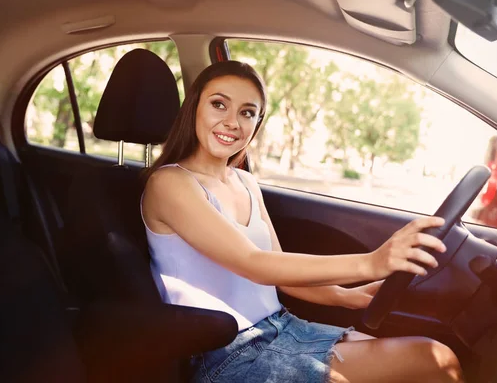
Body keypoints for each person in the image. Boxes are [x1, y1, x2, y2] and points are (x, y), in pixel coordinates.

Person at [141, 61, 463, 382]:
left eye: (247, 112)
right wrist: (370, 262)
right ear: (195, 107)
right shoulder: (170, 184)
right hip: (227, 357)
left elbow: (281, 274)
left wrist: (345, 295)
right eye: (218, 104)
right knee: (436, 360)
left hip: (282, 327)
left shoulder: (245, 182)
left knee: (415, 364)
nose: (232, 122)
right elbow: (255, 264)